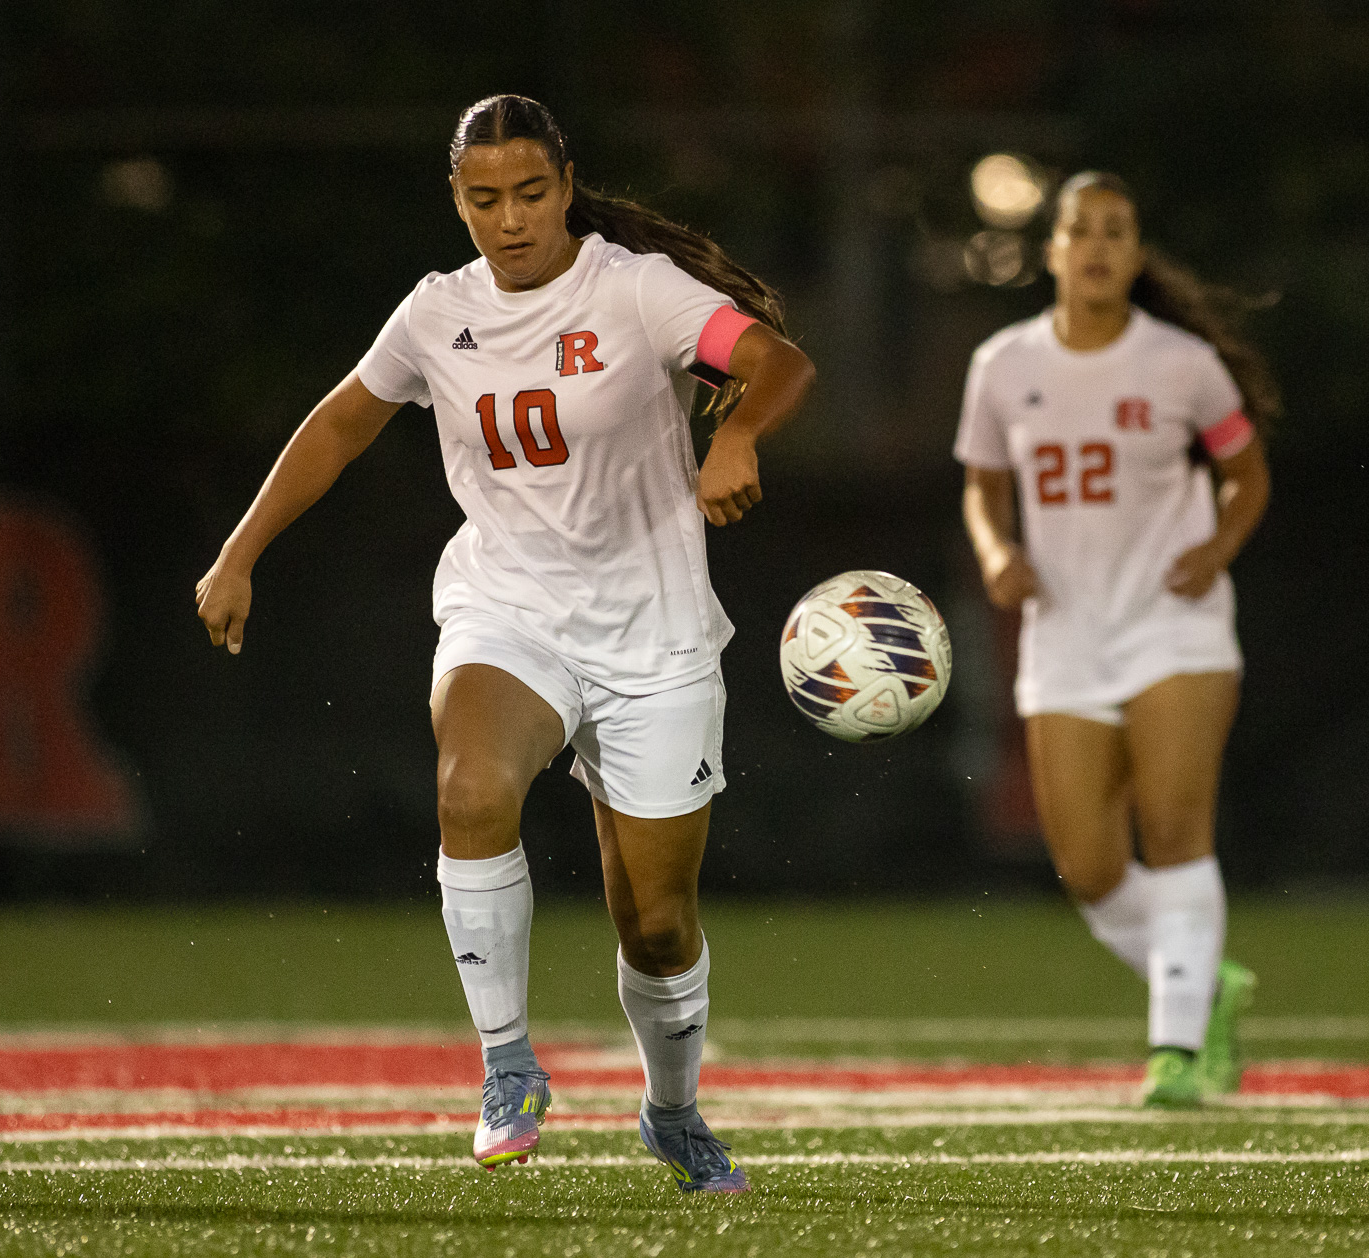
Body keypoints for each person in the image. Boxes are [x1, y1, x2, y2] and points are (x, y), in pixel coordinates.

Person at [194, 95, 814, 1191]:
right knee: (471, 788)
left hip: (652, 630)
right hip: (507, 608)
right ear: (456, 201)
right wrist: (239, 552)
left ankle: (670, 1111)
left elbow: (774, 359)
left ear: (567, 188)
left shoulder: (632, 289)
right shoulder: (437, 312)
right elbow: (343, 419)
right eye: (485, 200)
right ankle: (506, 1065)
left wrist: (740, 435)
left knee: (658, 925)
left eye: (531, 194)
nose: (511, 219)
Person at [954, 171, 1276, 1106]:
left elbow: (1246, 475)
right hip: (1066, 635)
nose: (1096, 245)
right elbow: (983, 485)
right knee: (1088, 865)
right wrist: (994, 549)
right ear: (1050, 250)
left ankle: (1178, 1049)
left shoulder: (1180, 364)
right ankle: (1202, 977)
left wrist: (1218, 547)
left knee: (1176, 833)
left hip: (1174, 627)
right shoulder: (1003, 366)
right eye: (1079, 229)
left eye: (1116, 231)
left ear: (1136, 256)